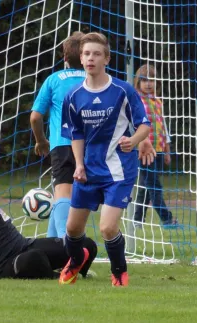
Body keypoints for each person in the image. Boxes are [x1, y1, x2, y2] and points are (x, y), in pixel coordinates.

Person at [59, 32, 155, 287]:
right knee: (72, 230)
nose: (91, 58)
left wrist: (134, 141)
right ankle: (77, 259)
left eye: (97, 54)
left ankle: (119, 272)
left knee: (108, 228)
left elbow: (144, 125)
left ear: (107, 59)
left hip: (119, 171)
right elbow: (75, 134)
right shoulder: (73, 95)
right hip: (88, 171)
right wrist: (78, 165)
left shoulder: (122, 91)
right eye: (87, 54)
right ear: (80, 58)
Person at [30, 31, 86, 239]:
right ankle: (54, 248)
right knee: (72, 195)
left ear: (64, 58)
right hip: (89, 145)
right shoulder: (96, 79)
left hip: (62, 143)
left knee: (63, 193)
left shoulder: (54, 80)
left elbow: (35, 117)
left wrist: (41, 140)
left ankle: (67, 247)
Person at [132, 64, 178, 229]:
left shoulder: (158, 101)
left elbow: (163, 127)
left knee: (145, 186)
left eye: (151, 80)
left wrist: (167, 150)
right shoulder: (136, 100)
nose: (148, 84)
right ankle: (167, 219)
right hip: (144, 151)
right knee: (154, 185)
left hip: (158, 149)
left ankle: (137, 220)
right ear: (138, 82)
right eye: (144, 80)